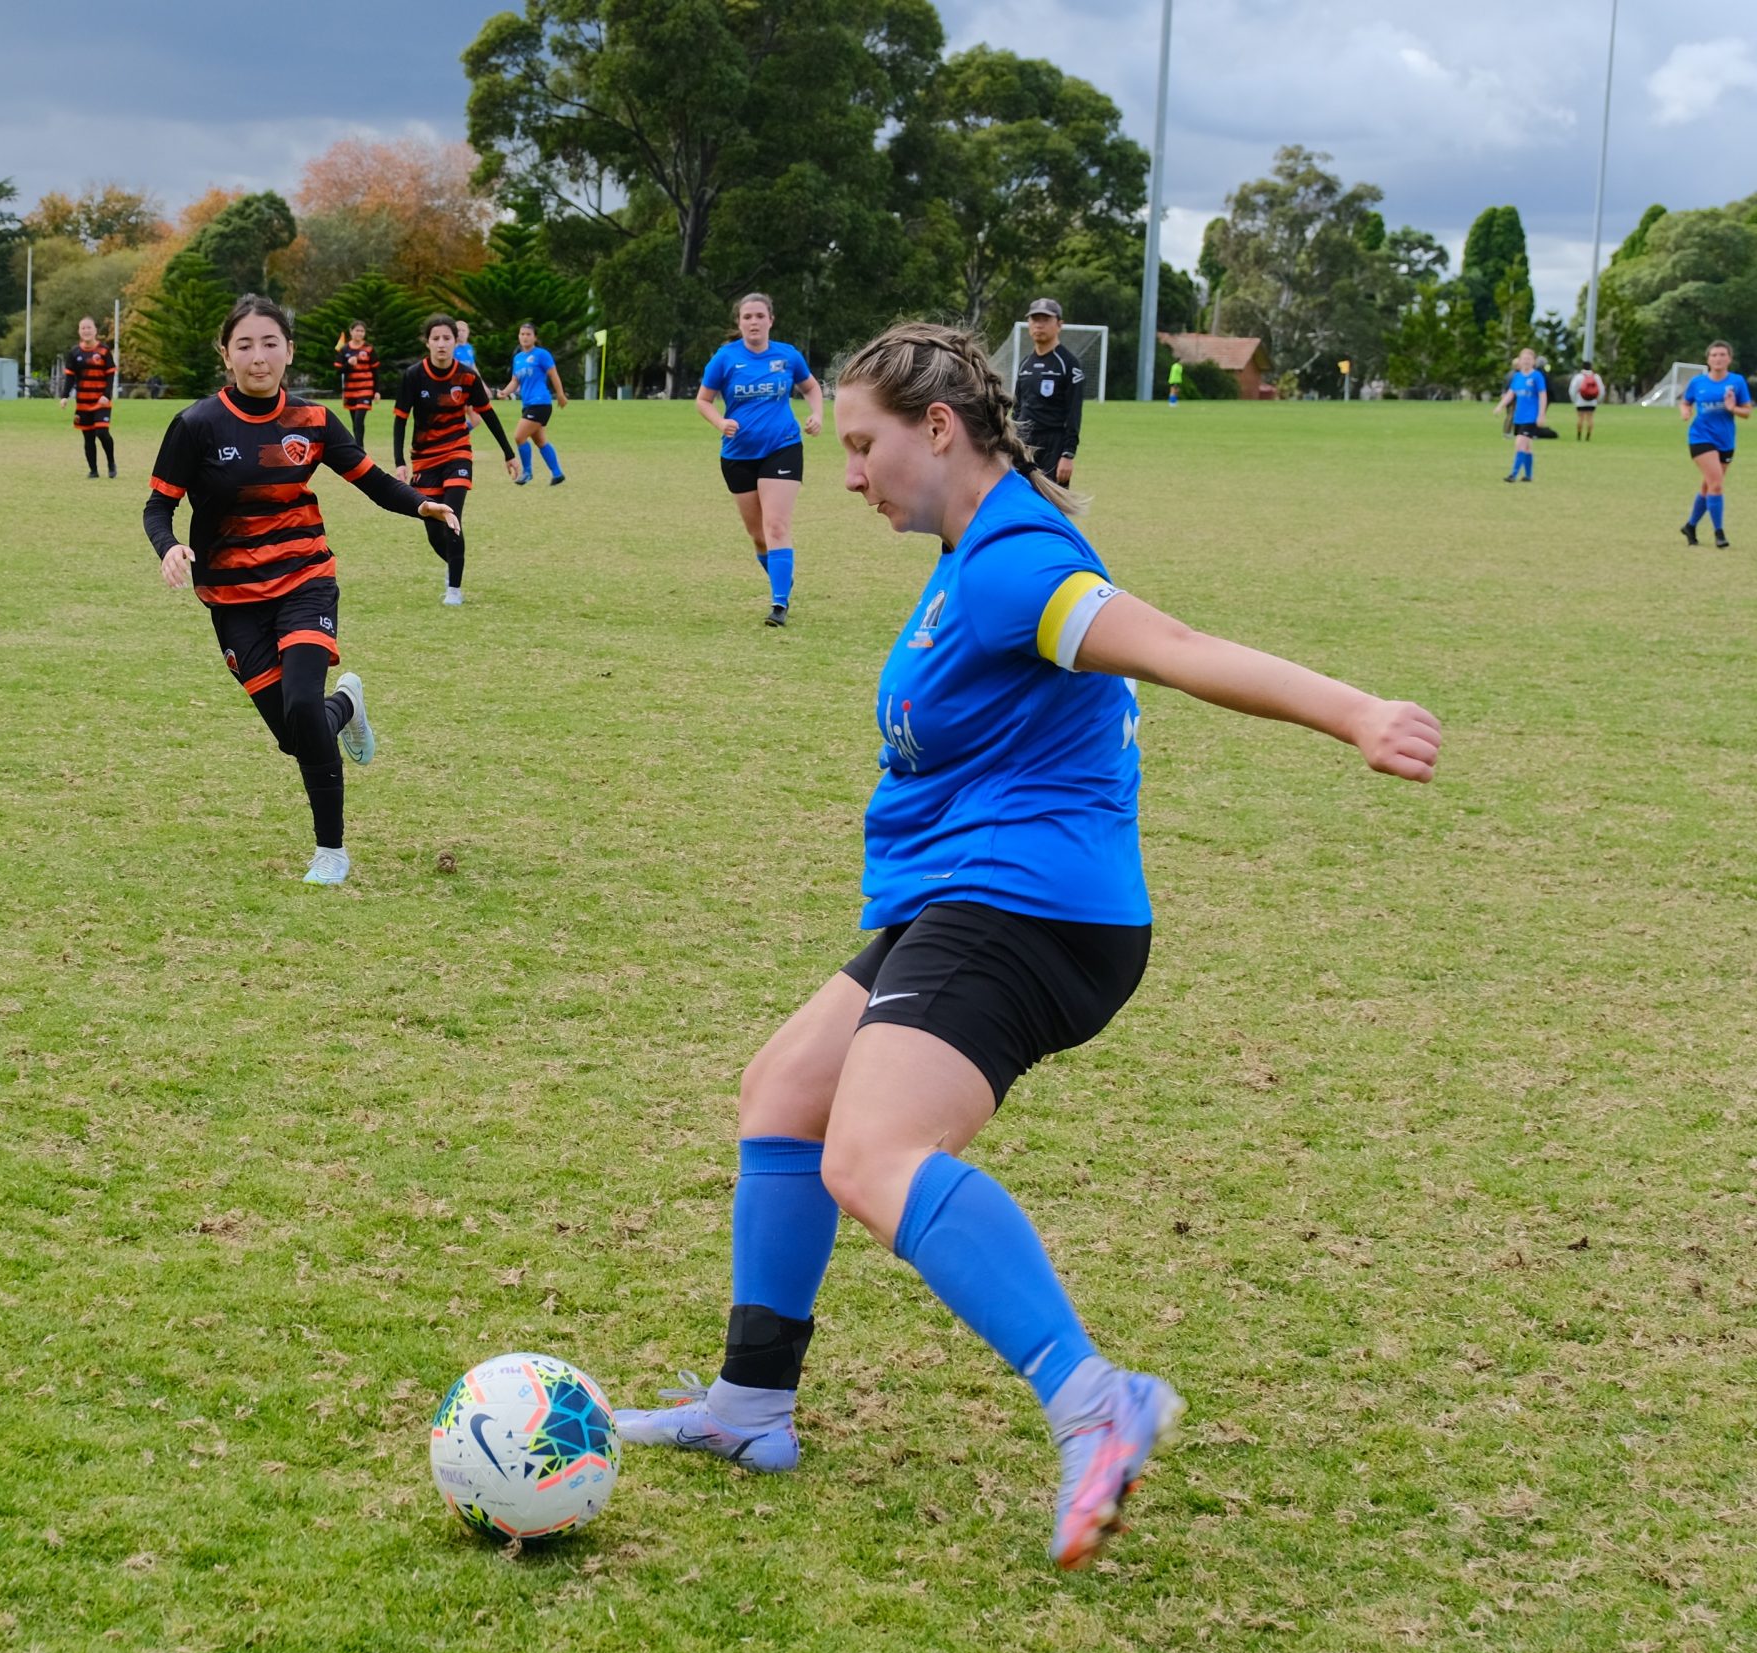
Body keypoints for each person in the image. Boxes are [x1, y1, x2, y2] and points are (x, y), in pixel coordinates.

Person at [612, 321, 1441, 1572]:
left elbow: (1173, 647)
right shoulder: (968, 552)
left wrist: (1356, 712)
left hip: (1030, 910)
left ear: (936, 428)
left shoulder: (1014, 563)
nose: (846, 476)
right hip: (959, 895)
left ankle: (1092, 1399)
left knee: (875, 1150)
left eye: (861, 445)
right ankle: (751, 1405)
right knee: (784, 1089)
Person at [145, 295, 466, 885]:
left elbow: (369, 479)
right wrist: (169, 546)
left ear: (289, 351)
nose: (258, 356)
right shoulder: (196, 425)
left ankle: (332, 852)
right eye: (244, 345)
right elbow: (158, 505)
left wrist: (421, 504)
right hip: (233, 598)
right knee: (300, 736)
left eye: (270, 343)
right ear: (226, 354)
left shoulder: (311, 421)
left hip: (305, 580)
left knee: (300, 704)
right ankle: (346, 706)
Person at [697, 292, 824, 627]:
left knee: (776, 525)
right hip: (738, 455)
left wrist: (817, 414)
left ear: (771, 319)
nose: (753, 322)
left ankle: (779, 604)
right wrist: (720, 422)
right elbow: (703, 401)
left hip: (782, 446)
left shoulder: (787, 355)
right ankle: (782, 577)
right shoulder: (725, 358)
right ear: (739, 323)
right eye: (747, 317)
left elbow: (811, 387)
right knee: (758, 535)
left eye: (759, 316)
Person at [393, 313, 517, 607]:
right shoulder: (413, 376)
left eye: (446, 338)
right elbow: (400, 420)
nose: (441, 344)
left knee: (451, 517)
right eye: (435, 338)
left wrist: (508, 453)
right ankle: (453, 564)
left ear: (455, 342)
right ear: (427, 343)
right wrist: (399, 461)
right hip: (424, 459)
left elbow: (487, 413)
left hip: (457, 452)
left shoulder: (467, 376)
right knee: (434, 531)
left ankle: (455, 590)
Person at [1679, 339, 1750, 549]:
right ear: (1707, 359)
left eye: (1722, 355)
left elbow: (1746, 411)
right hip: (1701, 438)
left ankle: (1690, 526)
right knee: (1716, 484)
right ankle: (1719, 533)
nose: (1718, 358)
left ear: (1729, 358)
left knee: (1708, 485)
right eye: (1714, 355)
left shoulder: (1737, 382)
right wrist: (1685, 411)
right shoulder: (1698, 382)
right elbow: (1685, 401)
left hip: (1726, 441)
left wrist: (1732, 408)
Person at [1012, 298, 1083, 486]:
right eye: (1035, 319)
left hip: (1053, 445)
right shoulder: (1025, 363)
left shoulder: (1068, 364)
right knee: (1022, 503)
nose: (1039, 325)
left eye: (1045, 319)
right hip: (1024, 445)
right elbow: (1017, 408)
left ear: (1059, 324)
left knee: (1051, 506)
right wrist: (1013, 442)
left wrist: (1068, 454)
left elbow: (1074, 413)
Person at [503, 321, 567, 486]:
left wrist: (560, 394)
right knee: (540, 441)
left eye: (528, 334)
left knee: (519, 436)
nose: (525, 337)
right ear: (518, 336)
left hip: (541, 403)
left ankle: (527, 472)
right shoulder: (518, 358)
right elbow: (515, 381)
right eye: (522, 334)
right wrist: (505, 392)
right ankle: (557, 473)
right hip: (528, 405)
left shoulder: (541, 354)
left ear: (535, 337)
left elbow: (553, 374)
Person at [62, 316, 119, 478]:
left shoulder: (104, 351)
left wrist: (106, 395)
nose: (86, 331)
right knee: (88, 437)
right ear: (79, 331)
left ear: (95, 330)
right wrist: (64, 396)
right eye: (83, 328)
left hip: (101, 402)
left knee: (102, 432)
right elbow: (70, 378)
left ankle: (111, 463)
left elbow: (110, 376)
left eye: (89, 328)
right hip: (83, 402)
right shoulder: (74, 353)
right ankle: (93, 471)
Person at [1494, 348, 1548, 482]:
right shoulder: (1517, 377)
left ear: (1533, 361)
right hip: (1519, 417)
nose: (1526, 362)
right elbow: (1511, 393)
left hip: (1531, 417)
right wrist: (1500, 406)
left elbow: (1542, 395)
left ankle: (1513, 474)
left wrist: (1541, 414)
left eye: (1529, 359)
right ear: (1519, 361)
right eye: (1524, 359)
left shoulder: (1537, 376)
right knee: (1526, 447)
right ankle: (1528, 476)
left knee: (1520, 444)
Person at [333, 321, 379, 442]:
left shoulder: (369, 349)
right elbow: (338, 371)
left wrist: (377, 391)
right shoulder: (344, 349)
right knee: (355, 422)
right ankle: (357, 447)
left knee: (359, 419)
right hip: (350, 390)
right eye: (357, 330)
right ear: (351, 331)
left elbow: (375, 371)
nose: (359, 333)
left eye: (362, 331)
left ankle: (359, 448)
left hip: (366, 389)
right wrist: (348, 364)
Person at [1571, 360, 1604, 440]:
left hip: (1580, 401)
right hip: (1592, 402)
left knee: (1580, 418)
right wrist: (1598, 400)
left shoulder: (1578, 377)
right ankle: (1588, 436)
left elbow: (1572, 389)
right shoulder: (1596, 377)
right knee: (1590, 418)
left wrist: (1574, 399)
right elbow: (1601, 390)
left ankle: (1579, 435)